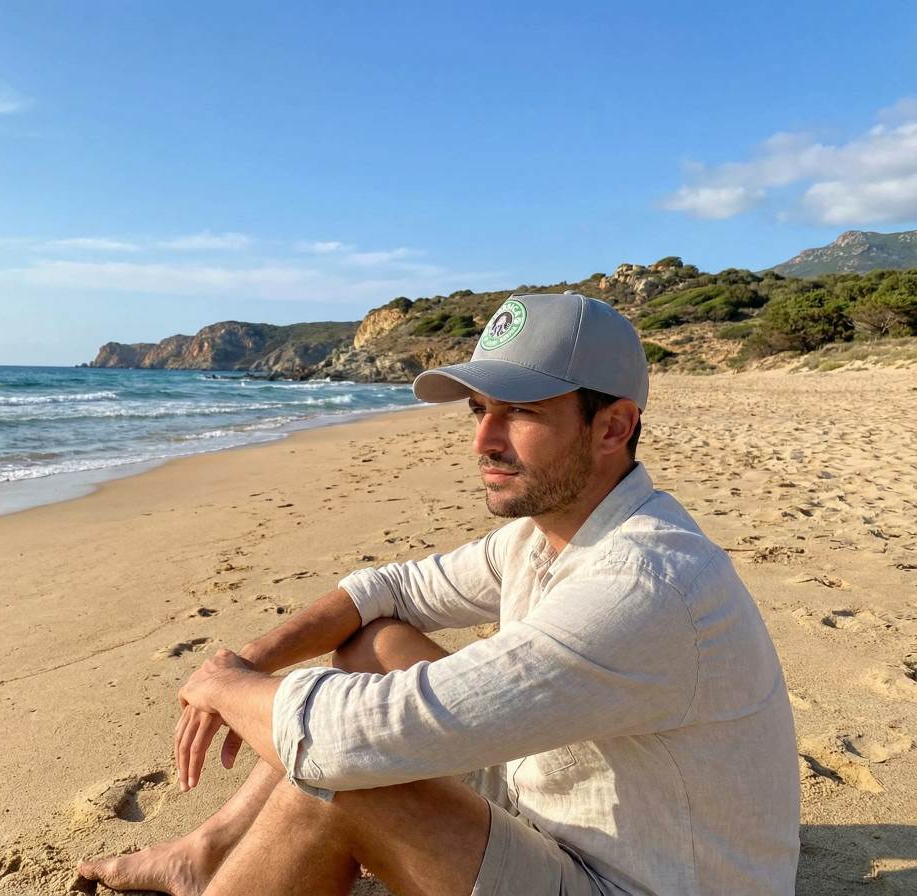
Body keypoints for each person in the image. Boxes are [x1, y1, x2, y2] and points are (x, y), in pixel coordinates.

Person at [78, 293, 801, 896]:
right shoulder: (546, 535)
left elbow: (346, 740)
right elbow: (388, 589)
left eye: (519, 413)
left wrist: (224, 686)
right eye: (478, 410)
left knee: (348, 778)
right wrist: (256, 658)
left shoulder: (645, 584)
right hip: (556, 814)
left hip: (629, 880)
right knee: (373, 643)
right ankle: (208, 851)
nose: (483, 441)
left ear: (612, 427)